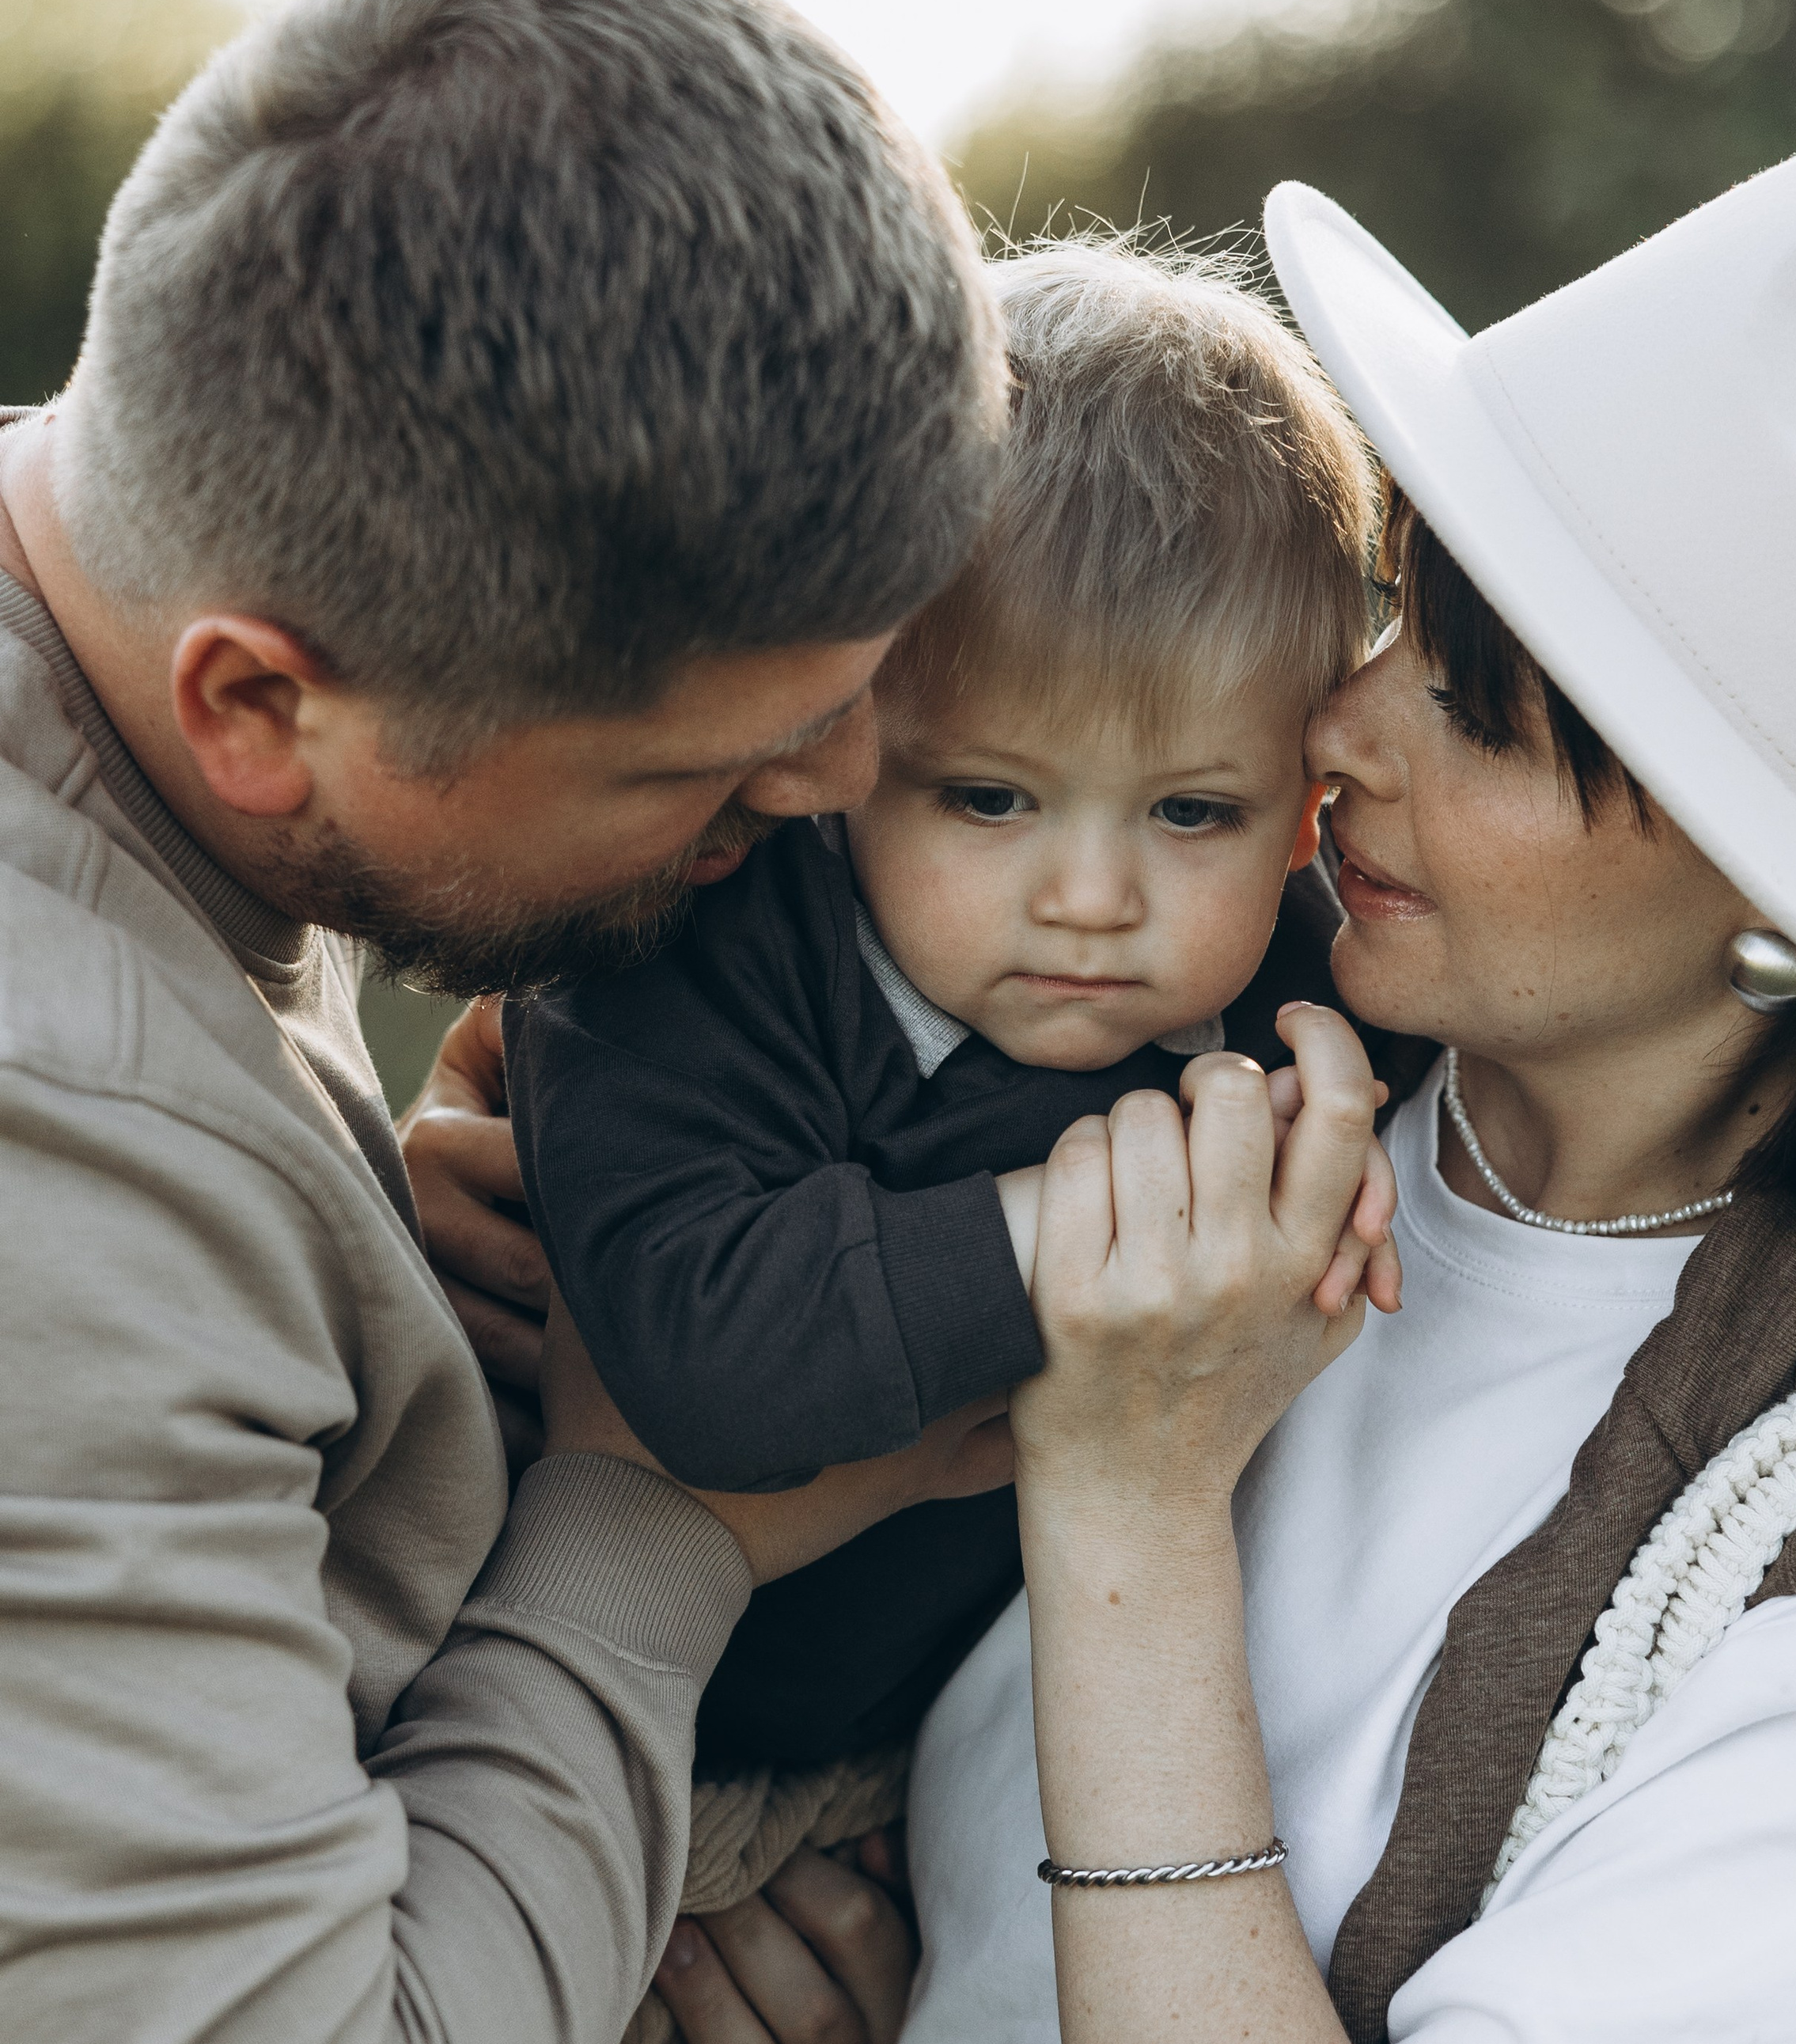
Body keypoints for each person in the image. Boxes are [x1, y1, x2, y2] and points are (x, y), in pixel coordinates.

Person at [721, 146, 1796, 2044]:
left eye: (1486, 699)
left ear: (1781, 899)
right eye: (1405, 603)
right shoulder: (1198, 1072)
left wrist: (1123, 1498)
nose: (1339, 722)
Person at [0, 0, 1003, 2044]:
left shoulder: (164, 816)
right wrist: (647, 1521)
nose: (824, 814)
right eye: (708, 777)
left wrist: (546, 1992)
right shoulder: (51, 1125)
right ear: (258, 704)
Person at [506, 241, 1387, 1781]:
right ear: (847, 741)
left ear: (1304, 812)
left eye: (1191, 814)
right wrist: (1107, 1217)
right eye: (989, 798)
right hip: (583, 1733)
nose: (1092, 899)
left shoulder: (1312, 994)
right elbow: (711, 1360)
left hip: (941, 1766)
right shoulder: (709, 940)